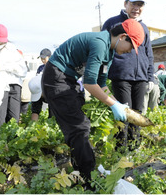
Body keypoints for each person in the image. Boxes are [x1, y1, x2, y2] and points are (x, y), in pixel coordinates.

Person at [41, 19, 145, 181]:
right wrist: (113, 105)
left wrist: (117, 104)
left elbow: (101, 84)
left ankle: (80, 171)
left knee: (78, 126)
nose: (130, 51)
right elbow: (90, 84)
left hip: (69, 79)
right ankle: (89, 177)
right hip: (56, 77)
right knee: (80, 126)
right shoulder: (100, 44)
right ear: (123, 37)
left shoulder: (109, 53)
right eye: (131, 46)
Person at [101, 0, 154, 150]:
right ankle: (120, 149)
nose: (136, 8)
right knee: (124, 112)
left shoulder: (143, 27)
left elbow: (148, 53)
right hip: (121, 75)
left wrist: (150, 77)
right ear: (125, 4)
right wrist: (104, 72)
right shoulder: (113, 23)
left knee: (137, 113)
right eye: (133, 4)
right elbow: (103, 48)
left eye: (140, 5)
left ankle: (134, 148)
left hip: (141, 78)